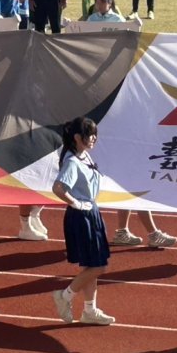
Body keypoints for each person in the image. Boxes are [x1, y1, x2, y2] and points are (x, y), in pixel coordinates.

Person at [50, 116, 115, 326]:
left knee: (92, 264)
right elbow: (58, 188)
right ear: (78, 137)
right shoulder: (72, 161)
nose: (94, 138)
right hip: (82, 215)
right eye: (89, 134)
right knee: (98, 266)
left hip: (90, 211)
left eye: (95, 134)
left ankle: (89, 310)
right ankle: (65, 296)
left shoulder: (83, 156)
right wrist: (76, 203)